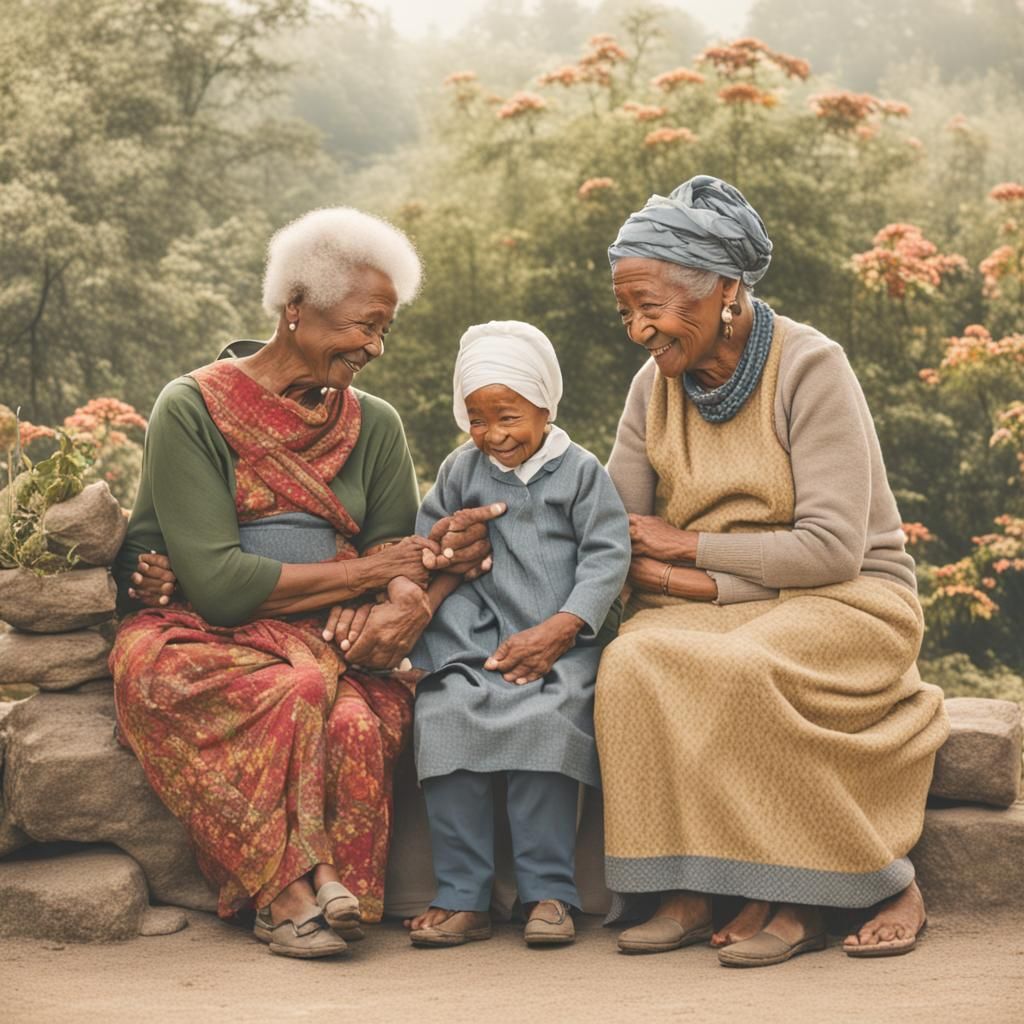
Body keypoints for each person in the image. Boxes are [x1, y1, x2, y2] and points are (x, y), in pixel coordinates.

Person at [111, 207, 501, 959]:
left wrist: (400, 599)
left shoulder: (375, 424)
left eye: (384, 329)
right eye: (363, 325)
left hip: (321, 637)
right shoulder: (191, 407)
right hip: (203, 634)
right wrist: (369, 573)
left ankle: (333, 895)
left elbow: (396, 546)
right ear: (295, 306)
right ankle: (287, 892)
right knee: (294, 694)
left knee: (354, 720)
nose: (375, 346)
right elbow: (220, 587)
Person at [596, 175, 950, 966]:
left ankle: (858, 886)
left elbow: (830, 549)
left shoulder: (811, 366)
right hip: (720, 598)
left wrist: (689, 554)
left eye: (650, 304)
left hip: (853, 598)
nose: (637, 329)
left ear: (723, 291)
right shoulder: (652, 387)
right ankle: (689, 888)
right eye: (626, 311)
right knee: (632, 661)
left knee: (744, 666)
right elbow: (619, 533)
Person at [403, 321, 631, 948]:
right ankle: (462, 897)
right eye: (477, 418)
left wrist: (567, 624)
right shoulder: (460, 470)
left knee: (548, 719)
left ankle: (548, 892)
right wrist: (443, 544)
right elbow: (431, 546)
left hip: (564, 649)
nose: (493, 434)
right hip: (476, 645)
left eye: (508, 416)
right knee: (445, 714)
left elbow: (608, 556)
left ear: (545, 405)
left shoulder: (581, 473)